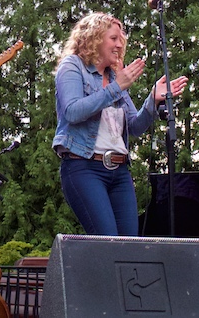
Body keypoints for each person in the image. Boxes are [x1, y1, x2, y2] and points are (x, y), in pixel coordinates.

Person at [52, 12, 188, 235]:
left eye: (120, 39)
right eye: (113, 38)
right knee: (109, 244)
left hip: (120, 171)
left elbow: (134, 127)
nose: (119, 44)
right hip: (84, 167)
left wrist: (152, 100)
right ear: (94, 38)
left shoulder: (115, 77)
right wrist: (118, 87)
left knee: (128, 246)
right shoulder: (73, 66)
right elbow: (73, 112)